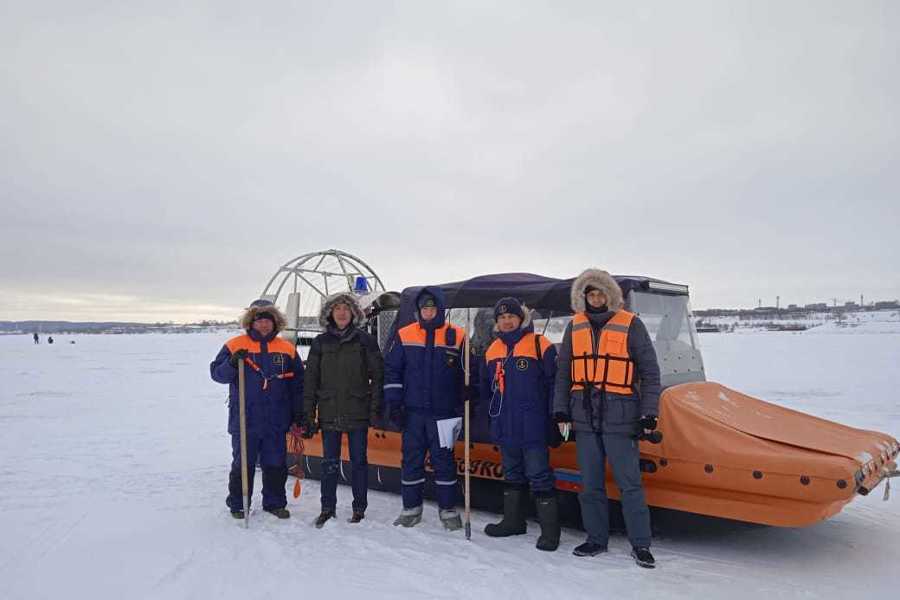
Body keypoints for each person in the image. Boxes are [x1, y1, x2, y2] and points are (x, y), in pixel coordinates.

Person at [553, 269, 661, 568]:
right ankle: (596, 539)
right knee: (590, 485)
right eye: (591, 294)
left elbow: (650, 373)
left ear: (610, 295)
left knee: (630, 485)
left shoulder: (631, 324)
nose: (596, 298)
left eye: (601, 293)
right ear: (583, 297)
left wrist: (649, 413)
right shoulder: (574, 327)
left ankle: (641, 544)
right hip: (585, 417)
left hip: (621, 416)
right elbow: (563, 373)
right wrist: (560, 410)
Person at [210, 299, 304, 519]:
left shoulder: (286, 349)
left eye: (267, 321)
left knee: (275, 463)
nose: (263, 325)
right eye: (259, 320)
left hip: (276, 419)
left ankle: (274, 503)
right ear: (251, 322)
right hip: (245, 418)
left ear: (275, 323)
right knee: (243, 462)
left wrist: (298, 413)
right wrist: (232, 363)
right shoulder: (235, 345)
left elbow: (298, 384)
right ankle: (239, 503)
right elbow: (217, 375)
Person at [480, 297, 560, 551]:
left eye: (511, 317)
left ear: (521, 318)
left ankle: (550, 533)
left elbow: (554, 385)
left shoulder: (540, 345)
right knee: (512, 474)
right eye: (502, 318)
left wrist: (555, 419)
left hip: (533, 424)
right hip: (505, 424)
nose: (506, 321)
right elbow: (486, 390)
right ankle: (514, 522)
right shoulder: (492, 350)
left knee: (539, 475)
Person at [383, 287, 466, 530]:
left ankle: (448, 510)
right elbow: (393, 371)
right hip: (413, 413)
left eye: (432, 308)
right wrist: (394, 403)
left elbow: (469, 373)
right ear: (419, 311)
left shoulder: (458, 335)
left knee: (445, 462)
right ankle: (411, 509)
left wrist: (467, 392)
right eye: (424, 308)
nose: (428, 312)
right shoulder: (405, 334)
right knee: (411, 460)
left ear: (440, 309)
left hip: (445, 414)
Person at [301, 292, 383, 528]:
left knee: (359, 462)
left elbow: (378, 376)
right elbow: (311, 380)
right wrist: (308, 413)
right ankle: (327, 508)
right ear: (330, 313)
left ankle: (359, 508)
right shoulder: (320, 343)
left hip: (357, 409)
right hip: (329, 411)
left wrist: (375, 408)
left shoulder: (365, 341)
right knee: (329, 463)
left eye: (346, 308)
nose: (341, 312)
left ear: (354, 313)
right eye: (337, 308)